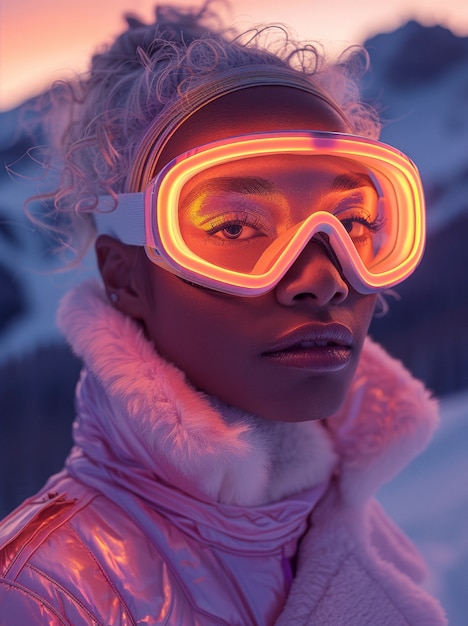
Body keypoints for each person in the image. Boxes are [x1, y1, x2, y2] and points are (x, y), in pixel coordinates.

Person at [0, 3, 447, 624]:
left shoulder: (343, 522)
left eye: (352, 224)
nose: (323, 278)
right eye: (236, 226)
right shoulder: (43, 594)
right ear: (125, 276)